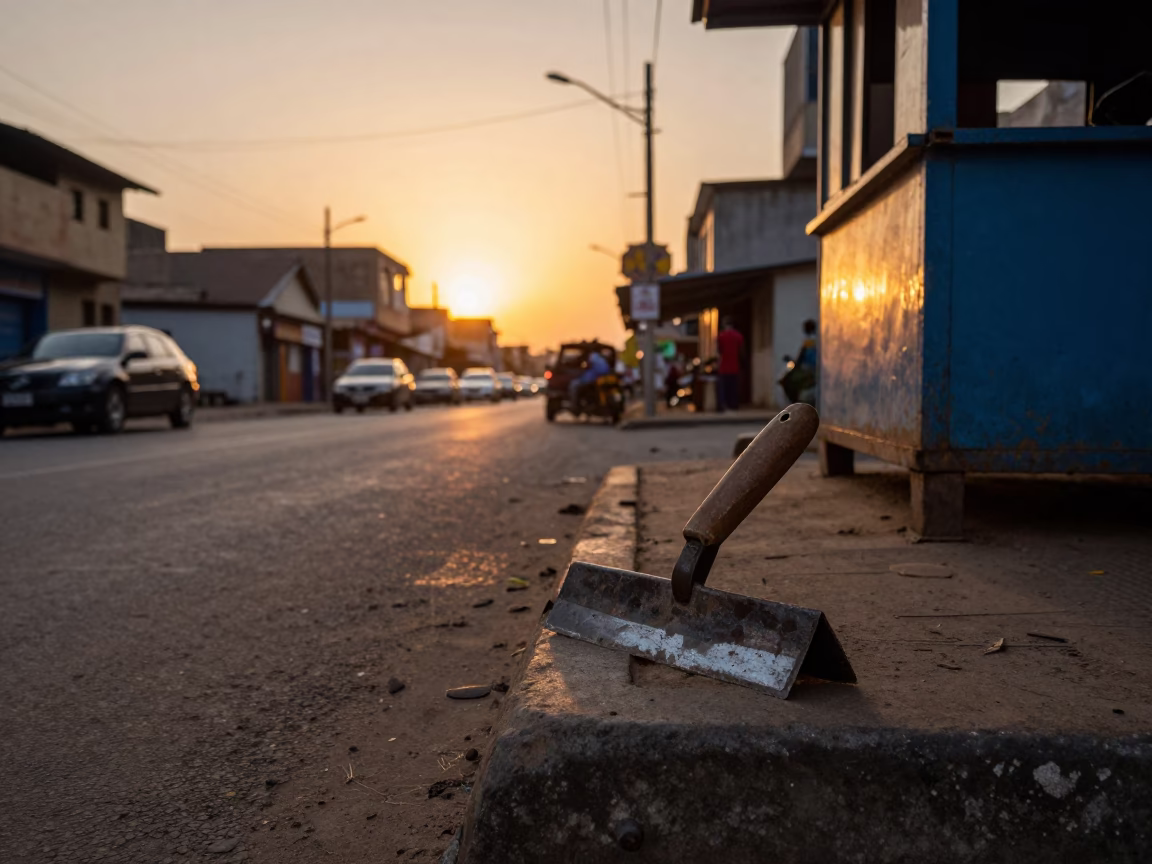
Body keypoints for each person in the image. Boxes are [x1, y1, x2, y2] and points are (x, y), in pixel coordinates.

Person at [716, 317, 744, 412]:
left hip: (724, 366)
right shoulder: (738, 336)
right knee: (734, 387)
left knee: (723, 387)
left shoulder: (721, 336)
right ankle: (734, 404)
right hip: (735, 365)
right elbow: (741, 351)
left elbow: (719, 350)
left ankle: (723, 405)